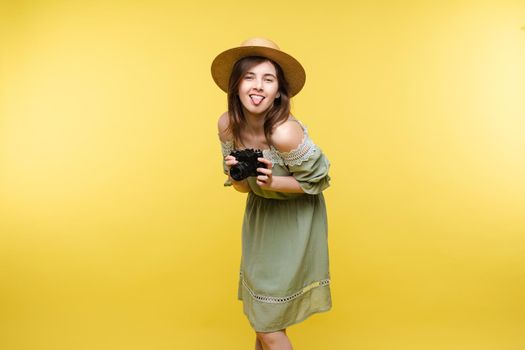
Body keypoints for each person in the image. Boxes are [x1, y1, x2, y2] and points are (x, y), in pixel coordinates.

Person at [211, 38, 331, 350]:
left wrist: (274, 183)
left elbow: (317, 182)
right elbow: (239, 188)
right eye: (249, 77)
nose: (258, 86)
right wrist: (236, 173)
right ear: (236, 85)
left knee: (268, 326)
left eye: (268, 79)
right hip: (260, 223)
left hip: (294, 224)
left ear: (279, 91)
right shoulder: (228, 126)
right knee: (261, 318)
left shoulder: (284, 133)